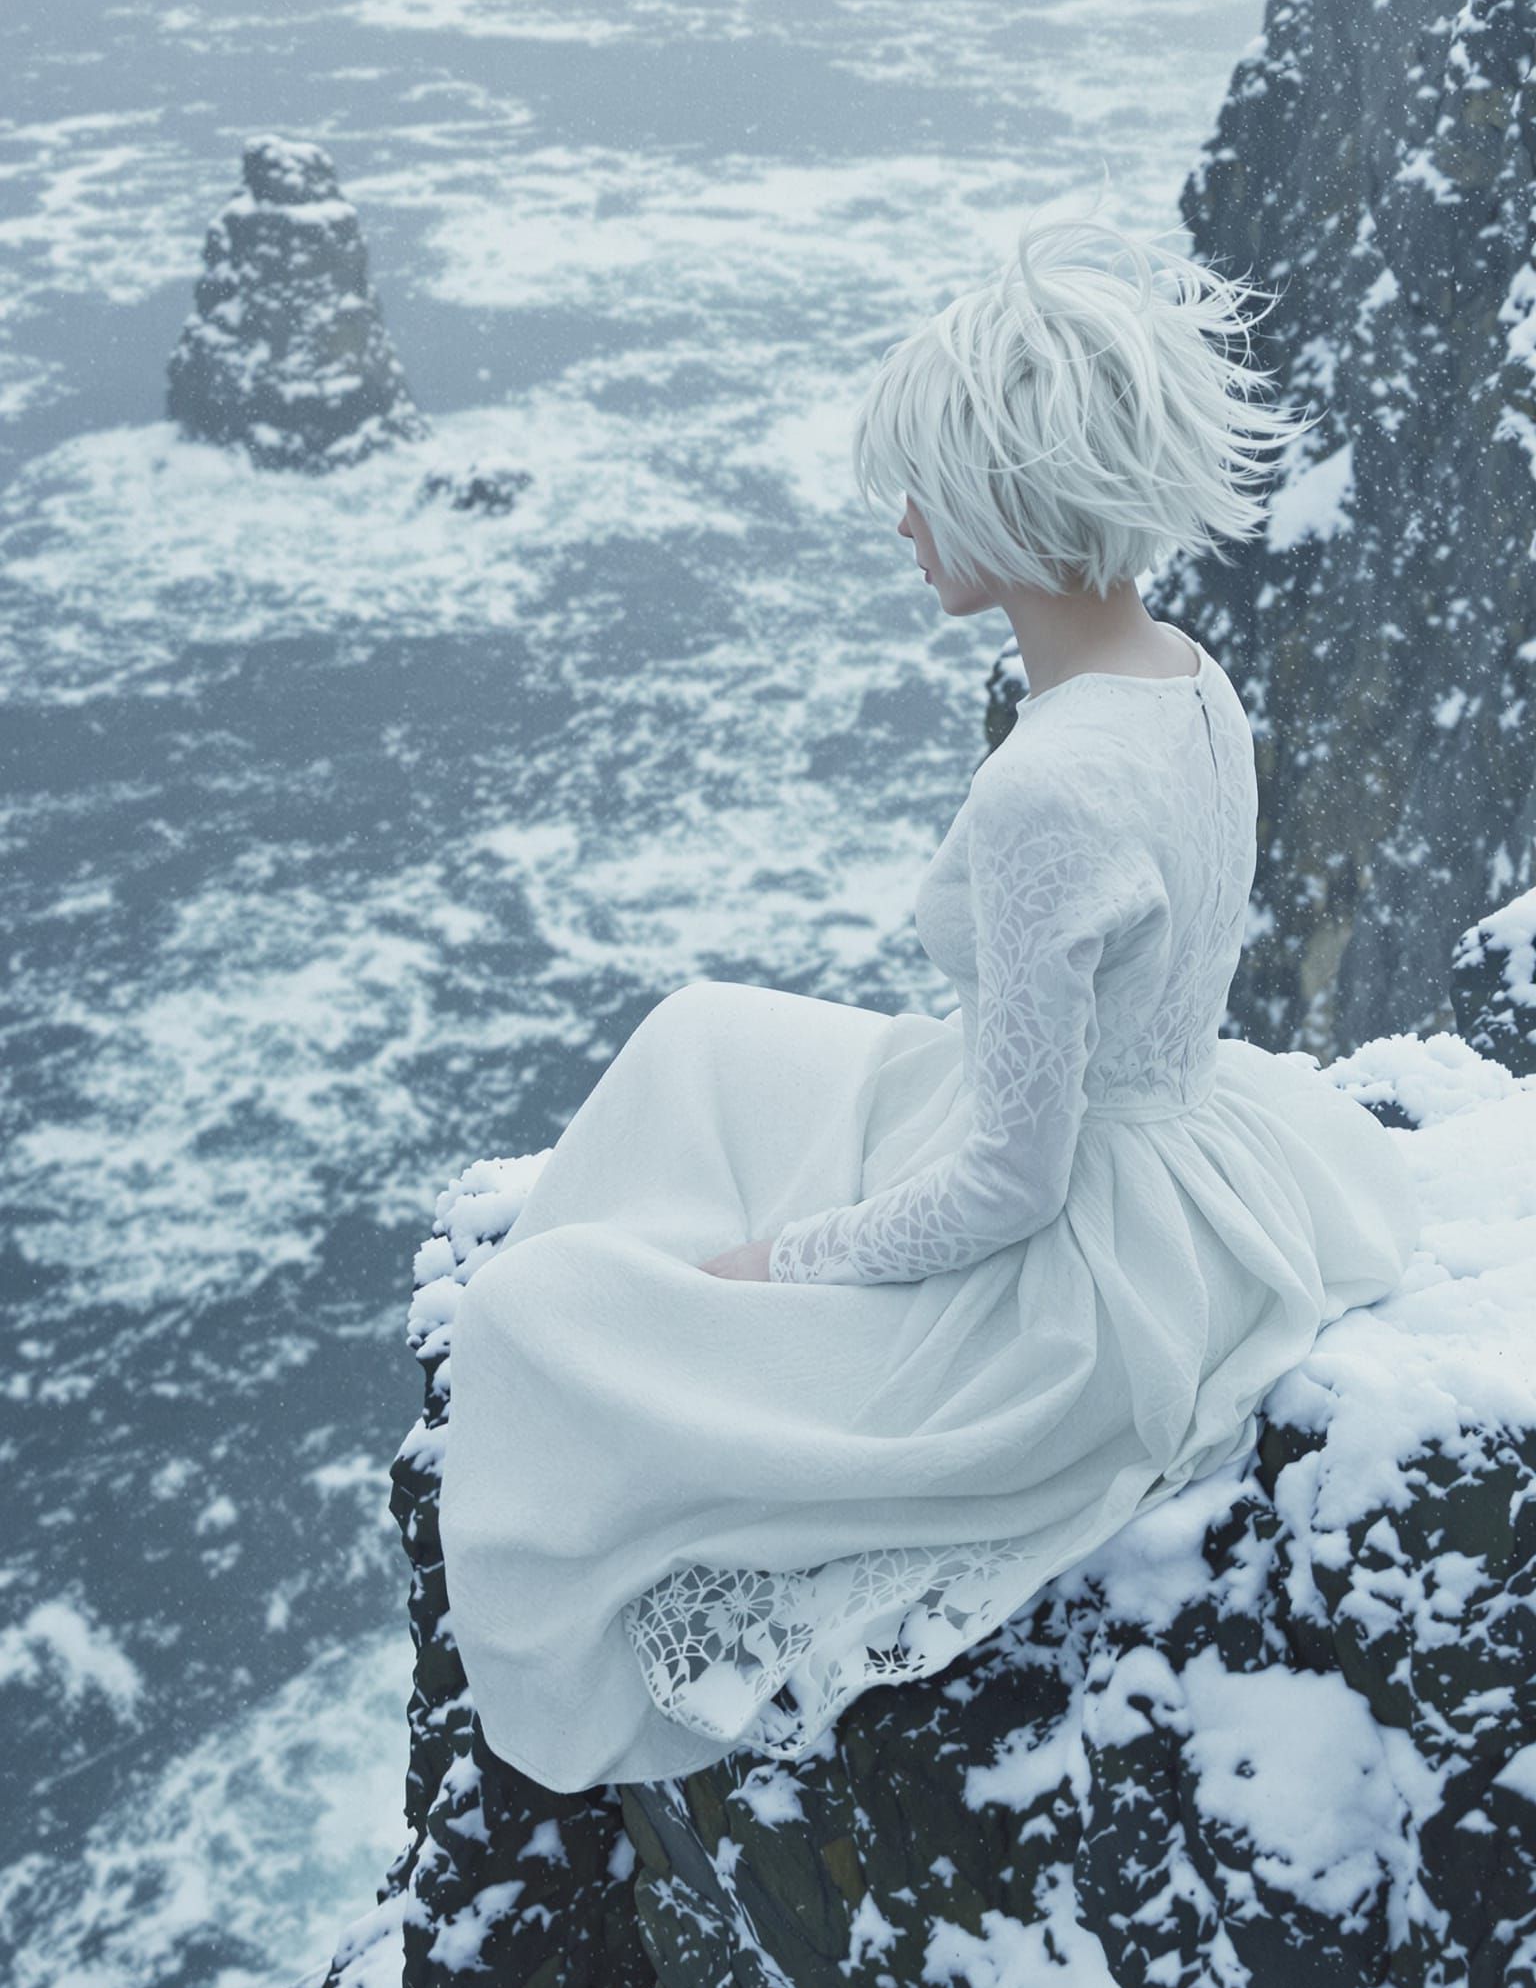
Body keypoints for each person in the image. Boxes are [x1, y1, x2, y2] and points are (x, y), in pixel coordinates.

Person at [437, 210, 1421, 1793]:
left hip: (1076, 1273)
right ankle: (665, 1278)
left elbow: (1012, 1184)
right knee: (703, 1032)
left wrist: (777, 1266)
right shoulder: (1183, 672)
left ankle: (653, 1346)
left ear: (1011, 503)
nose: (901, 523)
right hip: (1181, 1142)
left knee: (528, 1322)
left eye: (927, 490)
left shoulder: (1052, 789)